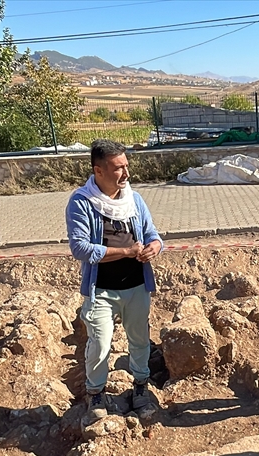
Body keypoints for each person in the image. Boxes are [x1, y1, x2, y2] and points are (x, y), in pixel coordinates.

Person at [67, 139, 163, 422]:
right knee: (99, 344)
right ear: (99, 171)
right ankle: (96, 393)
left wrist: (155, 246)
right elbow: (80, 248)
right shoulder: (82, 202)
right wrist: (125, 252)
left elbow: (152, 233)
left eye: (126, 166)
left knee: (140, 340)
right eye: (118, 168)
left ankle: (141, 387)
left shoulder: (134, 199)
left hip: (136, 286)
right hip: (102, 290)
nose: (126, 173)